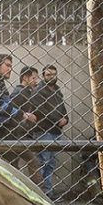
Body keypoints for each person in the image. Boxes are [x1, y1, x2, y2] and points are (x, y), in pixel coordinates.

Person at [0, 53, 36, 140]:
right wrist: (22, 114)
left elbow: (7, 104)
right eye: (7, 65)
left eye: (11, 66)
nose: (10, 69)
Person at [31, 64, 68, 197]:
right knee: (43, 162)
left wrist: (66, 119)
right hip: (43, 130)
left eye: (53, 74)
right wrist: (58, 120)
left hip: (56, 131)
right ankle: (39, 194)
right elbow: (41, 111)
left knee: (51, 163)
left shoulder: (57, 91)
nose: (51, 77)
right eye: (48, 75)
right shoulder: (39, 90)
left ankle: (47, 192)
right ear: (43, 76)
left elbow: (63, 109)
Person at [9, 66, 43, 187]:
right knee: (33, 161)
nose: (36, 81)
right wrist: (25, 117)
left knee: (14, 165)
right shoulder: (19, 92)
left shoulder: (26, 92)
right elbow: (11, 113)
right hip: (18, 135)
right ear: (25, 78)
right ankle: (38, 193)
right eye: (33, 78)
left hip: (20, 135)